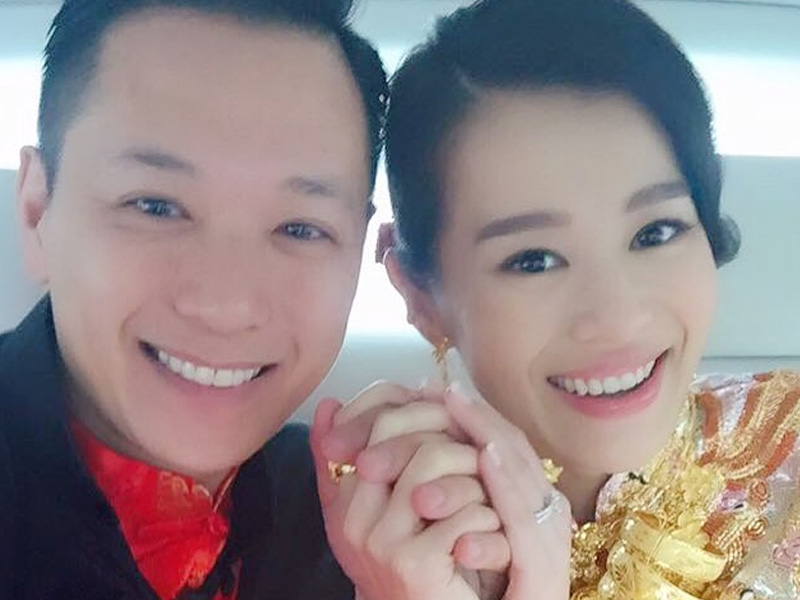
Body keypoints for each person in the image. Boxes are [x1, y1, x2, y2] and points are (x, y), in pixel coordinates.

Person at [313, 0, 800, 599]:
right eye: (534, 260)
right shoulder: (358, 544)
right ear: (420, 294)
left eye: (656, 232)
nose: (617, 318)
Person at [0, 0, 387, 598]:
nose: (225, 306)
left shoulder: (359, 532)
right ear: (36, 210)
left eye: (299, 228)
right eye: (155, 206)